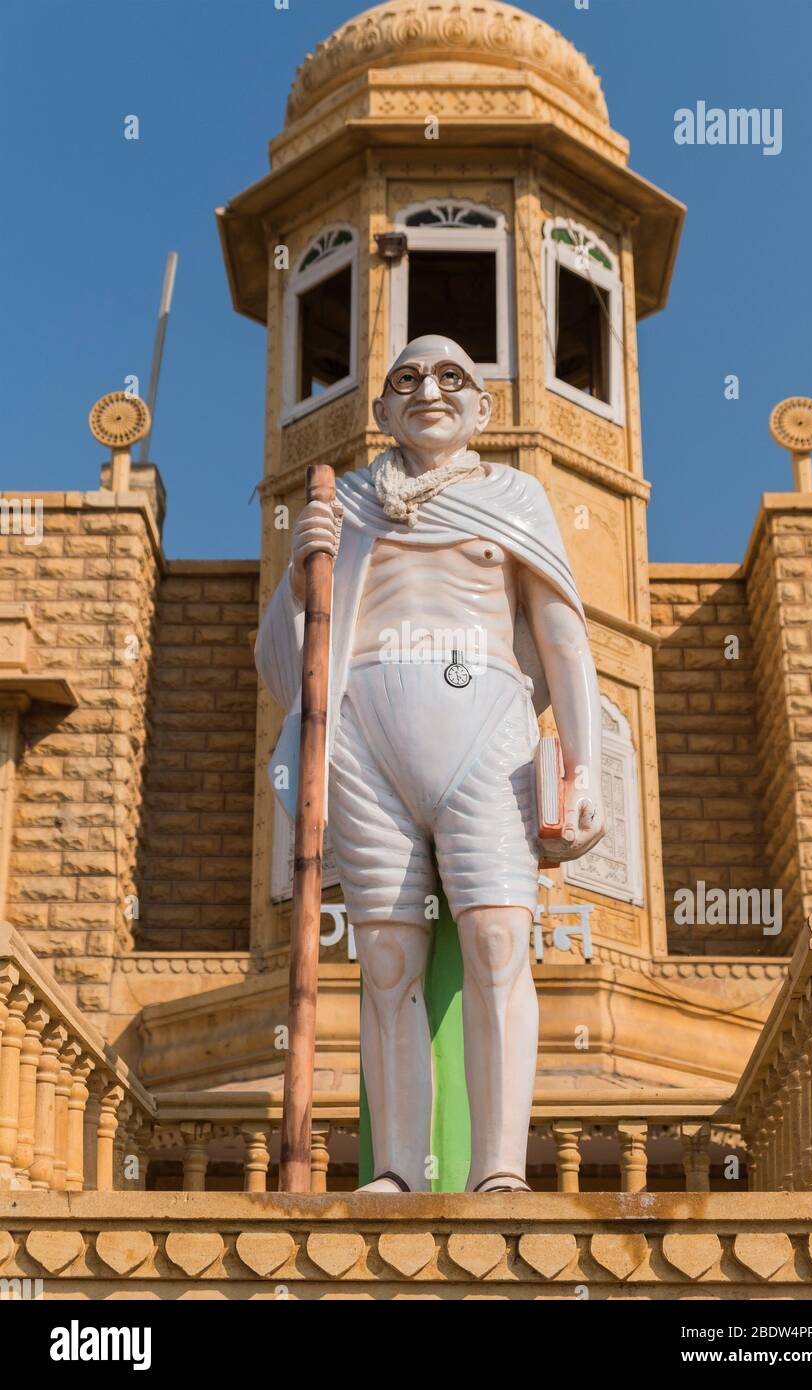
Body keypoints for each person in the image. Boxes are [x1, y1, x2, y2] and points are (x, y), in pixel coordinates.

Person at [256, 335, 605, 1193]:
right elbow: (284, 655)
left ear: (483, 408)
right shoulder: (345, 503)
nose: (430, 390)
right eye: (407, 378)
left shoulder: (515, 497)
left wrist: (588, 766)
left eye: (454, 377)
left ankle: (497, 1169)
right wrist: (304, 575)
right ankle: (399, 1171)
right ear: (380, 411)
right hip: (364, 741)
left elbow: (563, 637)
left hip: (487, 731)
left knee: (496, 944)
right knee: (383, 961)